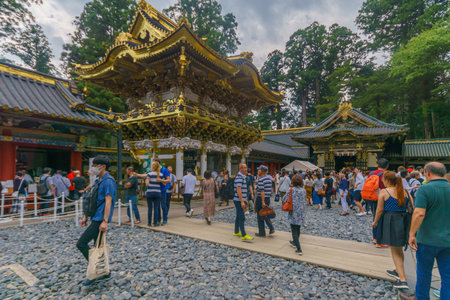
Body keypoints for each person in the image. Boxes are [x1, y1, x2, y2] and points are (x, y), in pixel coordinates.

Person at [400, 162, 449, 300]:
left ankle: (421, 296)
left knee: (424, 271)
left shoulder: (425, 189)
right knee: (447, 275)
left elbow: (419, 213)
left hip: (427, 238)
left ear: (427, 173)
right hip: (447, 239)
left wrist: (411, 234)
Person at [76, 156, 116, 286]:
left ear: (102, 167)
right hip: (95, 217)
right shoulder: (99, 180)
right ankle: (103, 271)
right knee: (96, 246)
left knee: (81, 243)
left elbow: (108, 202)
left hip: (100, 219)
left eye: (95, 165)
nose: (92, 168)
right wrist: (85, 216)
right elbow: (91, 198)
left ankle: (96, 270)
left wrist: (105, 221)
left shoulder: (109, 181)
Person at [372, 171, 412, 289]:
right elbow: (411, 208)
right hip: (403, 221)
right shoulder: (406, 192)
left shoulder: (384, 192)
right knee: (398, 249)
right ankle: (398, 271)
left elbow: (379, 210)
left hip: (391, 220)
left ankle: (403, 280)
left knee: (395, 251)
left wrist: (375, 222)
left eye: (383, 179)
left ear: (387, 181)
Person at [366, 158, 389, 246]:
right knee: (381, 218)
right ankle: (380, 240)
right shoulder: (385, 174)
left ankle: (375, 237)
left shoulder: (371, 173)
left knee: (375, 216)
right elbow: (386, 186)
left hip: (372, 197)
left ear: (377, 165)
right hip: (382, 198)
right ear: (387, 166)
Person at [285, 175, 307, 255]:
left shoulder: (291, 190)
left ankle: (299, 249)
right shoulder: (303, 190)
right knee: (297, 228)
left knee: (293, 229)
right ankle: (294, 241)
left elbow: (285, 199)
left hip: (293, 211)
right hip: (301, 211)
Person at [233, 163, 253, 241]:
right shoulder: (239, 177)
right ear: (240, 169)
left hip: (240, 199)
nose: (246, 169)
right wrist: (242, 201)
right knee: (242, 217)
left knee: (238, 216)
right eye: (244, 168)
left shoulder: (242, 177)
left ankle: (236, 231)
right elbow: (239, 190)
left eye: (246, 167)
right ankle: (244, 235)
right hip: (238, 200)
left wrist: (245, 199)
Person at [255, 165, 275, 237]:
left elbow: (262, 191)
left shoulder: (261, 180)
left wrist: (262, 201)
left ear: (261, 171)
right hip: (267, 198)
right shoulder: (268, 179)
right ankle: (271, 227)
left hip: (261, 199)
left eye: (258, 170)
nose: (257, 171)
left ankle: (262, 233)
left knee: (259, 215)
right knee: (265, 213)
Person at [145, 162, 164, 226]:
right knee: (156, 208)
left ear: (152, 167)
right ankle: (155, 223)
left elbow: (147, 184)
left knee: (150, 208)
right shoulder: (161, 174)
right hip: (157, 192)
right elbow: (164, 183)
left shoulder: (149, 174)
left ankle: (149, 223)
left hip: (150, 192)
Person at [154, 158, 170, 225]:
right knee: (157, 205)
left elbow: (168, 180)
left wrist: (161, 180)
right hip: (156, 189)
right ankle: (158, 219)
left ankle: (165, 220)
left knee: (163, 205)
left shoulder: (164, 170)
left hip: (162, 190)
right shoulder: (154, 170)